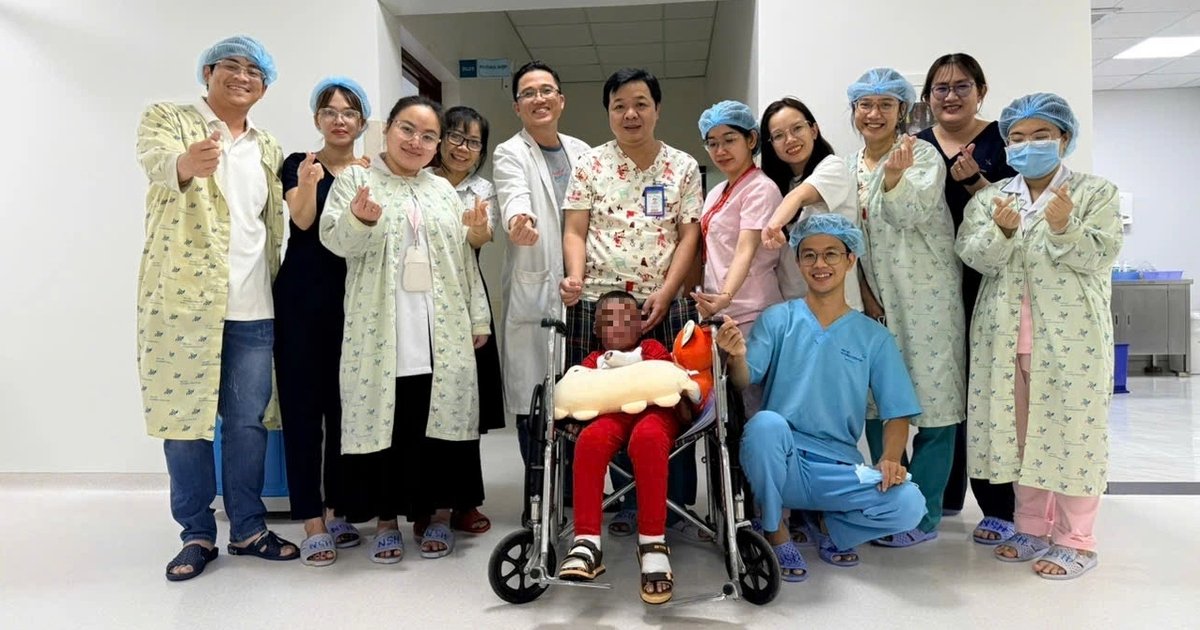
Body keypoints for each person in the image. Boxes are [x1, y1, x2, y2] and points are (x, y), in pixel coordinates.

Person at [136, 35, 297, 581]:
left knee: (247, 424)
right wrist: (187, 162)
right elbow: (159, 164)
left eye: (255, 71)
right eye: (232, 65)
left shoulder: (267, 145)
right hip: (183, 304)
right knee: (185, 423)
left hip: (254, 304)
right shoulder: (168, 118)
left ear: (264, 88)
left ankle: (248, 527)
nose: (243, 76)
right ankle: (196, 534)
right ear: (208, 72)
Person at [957, 93, 1122, 580]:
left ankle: (1077, 540)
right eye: (1018, 137)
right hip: (1003, 339)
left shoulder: (1096, 193)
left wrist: (1064, 226)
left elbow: (1101, 254)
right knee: (1022, 438)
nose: (1028, 145)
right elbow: (974, 257)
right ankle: (1030, 527)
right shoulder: (991, 199)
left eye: (1041, 135)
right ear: (1007, 145)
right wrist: (1002, 233)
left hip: (1072, 341)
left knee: (1073, 435)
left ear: (1064, 139)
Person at [319, 95, 491, 563]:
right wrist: (359, 219)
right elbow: (334, 241)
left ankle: (437, 516)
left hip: (441, 326)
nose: (417, 142)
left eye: (428, 135)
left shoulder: (443, 191)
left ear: (437, 145)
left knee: (436, 421)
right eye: (407, 130)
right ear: (388, 129)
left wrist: (478, 317)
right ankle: (386, 521)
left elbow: (464, 260)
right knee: (390, 424)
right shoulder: (356, 180)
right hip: (382, 326)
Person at [717, 213, 927, 583]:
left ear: (850, 259)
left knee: (910, 504)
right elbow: (745, 379)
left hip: (840, 468)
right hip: (782, 460)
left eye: (831, 254)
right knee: (765, 424)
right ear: (798, 262)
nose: (820, 264)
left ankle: (831, 526)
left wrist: (891, 459)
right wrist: (735, 356)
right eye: (809, 255)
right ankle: (775, 531)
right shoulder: (778, 319)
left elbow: (897, 412)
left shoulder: (873, 337)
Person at [560, 68, 703, 540]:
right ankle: (625, 502)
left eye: (640, 103)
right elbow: (575, 229)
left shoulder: (683, 166)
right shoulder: (589, 165)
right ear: (608, 112)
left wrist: (668, 290)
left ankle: (674, 503)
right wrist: (576, 277)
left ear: (657, 109)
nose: (630, 114)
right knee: (609, 404)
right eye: (619, 105)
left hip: (664, 303)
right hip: (601, 306)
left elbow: (688, 236)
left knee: (671, 402)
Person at [846, 68, 965, 548]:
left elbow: (908, 212)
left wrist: (893, 177)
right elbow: (850, 239)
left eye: (885, 105)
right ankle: (891, 505)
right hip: (877, 303)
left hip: (928, 298)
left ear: (901, 110)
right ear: (854, 110)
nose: (874, 114)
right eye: (865, 104)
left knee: (935, 408)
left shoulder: (922, 155)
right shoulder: (850, 165)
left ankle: (925, 514)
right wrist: (864, 293)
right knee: (880, 406)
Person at [914, 53, 1019, 541]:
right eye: (941, 88)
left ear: (981, 90)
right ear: (927, 97)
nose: (951, 96)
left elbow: (1022, 210)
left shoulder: (1005, 142)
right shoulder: (917, 147)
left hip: (990, 278)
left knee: (987, 390)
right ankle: (946, 495)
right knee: (941, 392)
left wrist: (976, 181)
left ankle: (999, 503)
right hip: (932, 284)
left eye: (962, 86)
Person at [276, 76, 372, 567]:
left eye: (349, 112)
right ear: (317, 119)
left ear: (362, 122)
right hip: (301, 300)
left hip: (353, 300)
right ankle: (311, 519)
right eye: (330, 112)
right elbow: (302, 221)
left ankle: (337, 509)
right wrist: (310, 183)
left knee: (344, 408)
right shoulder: (300, 163)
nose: (339, 120)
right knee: (302, 409)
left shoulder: (369, 173)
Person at [492, 61, 591, 481]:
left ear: (561, 100)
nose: (539, 99)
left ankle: (571, 492)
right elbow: (513, 194)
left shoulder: (583, 152)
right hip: (537, 289)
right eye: (528, 93)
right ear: (518, 107)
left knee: (582, 397)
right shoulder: (510, 152)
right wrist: (520, 220)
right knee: (535, 399)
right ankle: (538, 496)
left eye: (546, 90)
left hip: (583, 289)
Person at [557, 291, 687, 605]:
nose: (619, 325)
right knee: (590, 441)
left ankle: (652, 543)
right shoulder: (593, 362)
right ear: (596, 329)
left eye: (628, 319)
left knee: (648, 439)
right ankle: (586, 541)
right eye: (609, 320)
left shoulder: (652, 349)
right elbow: (578, 392)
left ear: (641, 325)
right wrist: (570, 416)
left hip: (655, 413)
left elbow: (670, 380)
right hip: (610, 416)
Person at [427, 105, 502, 537]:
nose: (462, 148)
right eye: (455, 136)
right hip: (419, 297)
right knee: (422, 402)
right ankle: (425, 502)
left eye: (473, 142)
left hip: (465, 294)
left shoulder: (482, 189)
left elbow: (482, 237)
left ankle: (464, 501)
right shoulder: (420, 178)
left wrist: (476, 229)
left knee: (464, 404)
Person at [758, 97, 863, 310]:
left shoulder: (833, 168)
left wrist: (774, 226)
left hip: (838, 306)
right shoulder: (778, 185)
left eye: (797, 128)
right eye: (778, 135)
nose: (790, 139)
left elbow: (799, 197)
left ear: (813, 130)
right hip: (794, 304)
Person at [692, 100, 784, 338]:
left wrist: (726, 296)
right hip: (720, 310)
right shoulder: (716, 192)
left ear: (751, 140)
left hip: (753, 311)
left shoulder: (761, 189)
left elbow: (746, 249)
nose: (720, 150)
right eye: (712, 143)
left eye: (729, 140)